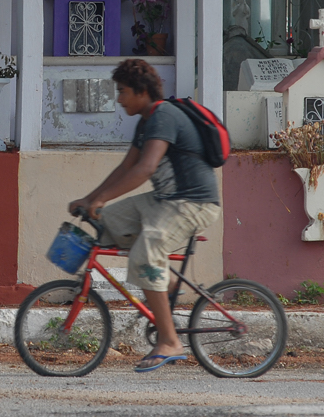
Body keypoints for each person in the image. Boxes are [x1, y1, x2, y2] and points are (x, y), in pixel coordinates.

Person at [68, 58, 220, 372]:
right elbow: (125, 168)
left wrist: (102, 197)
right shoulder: (146, 121)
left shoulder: (163, 115)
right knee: (107, 219)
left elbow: (145, 169)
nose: (119, 98)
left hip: (193, 203)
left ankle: (169, 341)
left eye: (123, 92)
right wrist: (92, 199)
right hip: (165, 200)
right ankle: (159, 288)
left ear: (141, 91)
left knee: (146, 254)